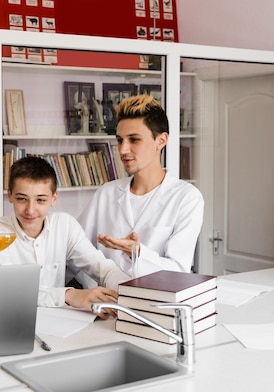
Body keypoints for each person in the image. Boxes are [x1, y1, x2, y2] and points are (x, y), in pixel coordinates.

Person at [0, 156, 129, 317]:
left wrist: (131, 295)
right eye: (22, 199)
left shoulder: (64, 224)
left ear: (53, 198)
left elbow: (104, 269)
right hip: (12, 320)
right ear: (10, 196)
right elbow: (10, 293)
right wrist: (69, 295)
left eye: (40, 200)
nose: (30, 210)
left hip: (59, 323)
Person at [77, 94, 204, 279]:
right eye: (120, 140)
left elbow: (178, 271)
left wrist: (137, 252)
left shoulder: (186, 198)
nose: (122, 150)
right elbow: (77, 249)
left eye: (134, 139)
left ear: (161, 141)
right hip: (105, 301)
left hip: (156, 302)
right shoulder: (106, 193)